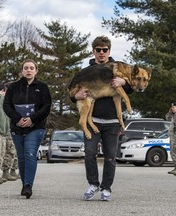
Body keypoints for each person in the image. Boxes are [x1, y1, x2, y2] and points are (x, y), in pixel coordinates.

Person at [69, 35, 133, 201]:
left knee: (110, 156)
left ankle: (106, 188)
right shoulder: (86, 72)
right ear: (94, 52)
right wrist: (77, 96)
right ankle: (93, 184)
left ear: (109, 51)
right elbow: (72, 93)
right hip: (93, 120)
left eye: (105, 50)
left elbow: (132, 88)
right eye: (98, 50)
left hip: (112, 121)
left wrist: (123, 83)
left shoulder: (117, 69)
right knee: (89, 154)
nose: (102, 53)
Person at [3, 59, 51, 199]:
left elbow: (46, 106)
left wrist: (32, 119)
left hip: (36, 127)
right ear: (22, 71)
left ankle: (29, 185)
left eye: (31, 68)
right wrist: (18, 119)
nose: (28, 70)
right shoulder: (13, 87)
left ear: (36, 70)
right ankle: (25, 184)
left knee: (30, 153)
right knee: (22, 157)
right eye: (26, 68)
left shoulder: (42, 87)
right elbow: (7, 105)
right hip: (17, 126)